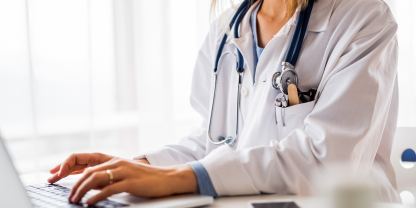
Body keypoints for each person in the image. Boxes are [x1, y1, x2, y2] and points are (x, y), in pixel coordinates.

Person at [48, 0, 400, 205]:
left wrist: (180, 177)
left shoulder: (363, 19)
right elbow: (213, 141)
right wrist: (138, 166)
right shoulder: (228, 28)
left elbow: (327, 162)